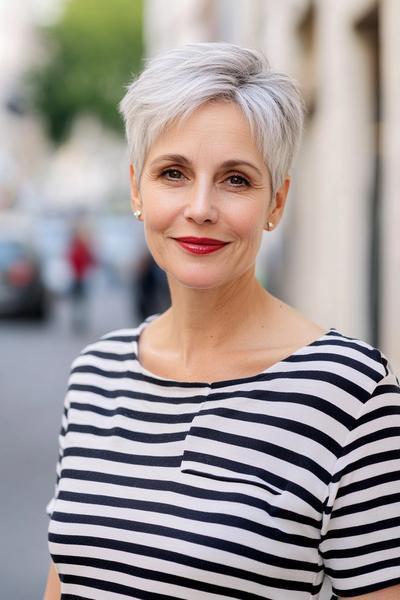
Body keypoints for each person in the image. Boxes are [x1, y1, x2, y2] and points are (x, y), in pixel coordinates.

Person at [44, 43, 400, 600]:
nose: (202, 206)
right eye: (174, 173)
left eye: (236, 179)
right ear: (137, 189)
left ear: (276, 202)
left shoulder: (351, 393)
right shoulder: (95, 376)